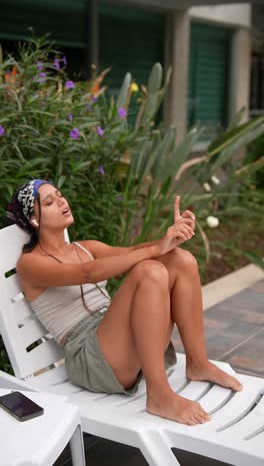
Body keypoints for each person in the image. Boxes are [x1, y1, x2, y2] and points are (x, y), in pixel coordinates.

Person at [6, 178, 243, 427]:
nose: (62, 200)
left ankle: (198, 362)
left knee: (180, 259)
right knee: (149, 271)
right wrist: (156, 250)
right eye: (49, 202)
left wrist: (169, 238)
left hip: (117, 337)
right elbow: (89, 273)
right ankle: (159, 395)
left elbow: (134, 251)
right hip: (89, 356)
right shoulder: (30, 264)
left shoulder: (86, 247)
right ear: (34, 219)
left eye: (60, 194)